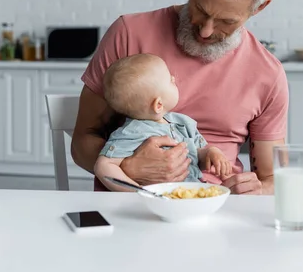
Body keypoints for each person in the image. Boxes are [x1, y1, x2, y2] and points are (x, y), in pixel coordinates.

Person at [72, 0, 288, 195]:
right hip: (131, 208)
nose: (206, 31)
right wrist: (128, 167)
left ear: (259, 8)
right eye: (200, 7)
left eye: (226, 22)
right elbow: (82, 141)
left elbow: (273, 179)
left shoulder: (268, 73)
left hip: (218, 208)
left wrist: (258, 190)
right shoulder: (128, 33)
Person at [95, 53, 232, 192]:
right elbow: (104, 166)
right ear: (158, 104)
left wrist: (211, 153)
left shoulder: (183, 123)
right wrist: (137, 192)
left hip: (191, 195)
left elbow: (196, 157)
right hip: (158, 201)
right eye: (170, 80)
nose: (174, 78)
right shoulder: (132, 131)